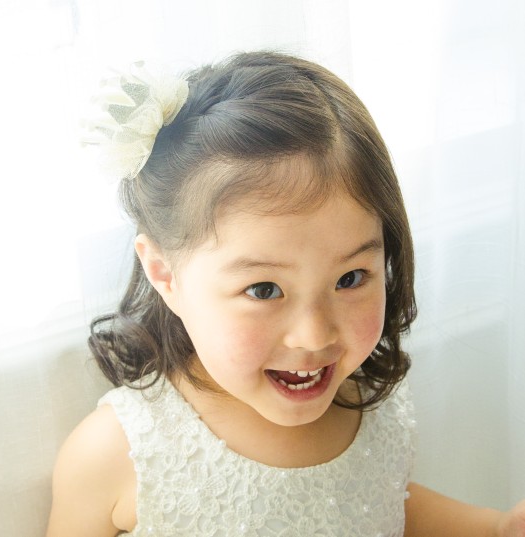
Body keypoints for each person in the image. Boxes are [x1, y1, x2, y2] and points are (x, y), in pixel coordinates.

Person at [46, 51, 525, 536]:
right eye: (264, 289)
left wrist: (496, 526)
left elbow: (382, 506)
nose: (314, 335)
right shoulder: (116, 454)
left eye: (350, 279)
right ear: (165, 274)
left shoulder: (360, 400)